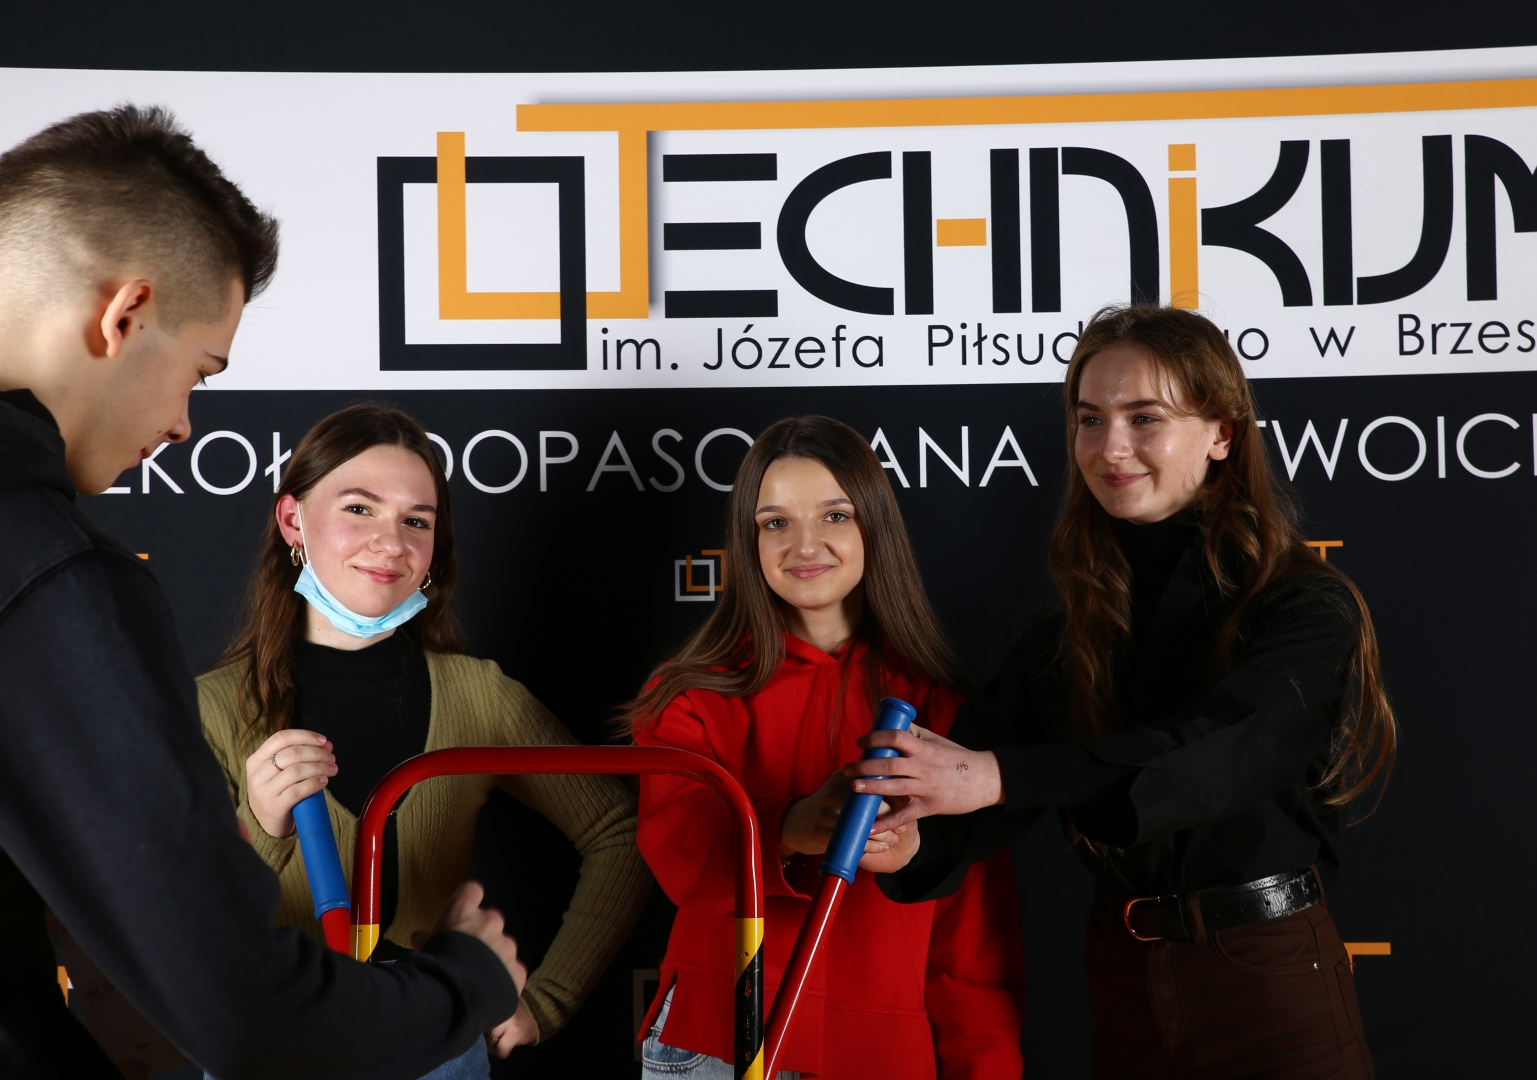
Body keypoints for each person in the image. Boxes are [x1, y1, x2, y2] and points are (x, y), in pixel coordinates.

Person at [0, 105, 525, 1080]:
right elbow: (252, 1019)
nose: (184, 425)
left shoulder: (481, 692)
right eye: (200, 372)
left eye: (417, 519)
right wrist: (471, 982)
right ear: (124, 316)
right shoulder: (54, 578)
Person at [854, 304, 1395, 1079]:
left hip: (1266, 972)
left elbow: (1207, 760)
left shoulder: (1304, 607)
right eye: (1090, 419)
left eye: (1145, 418)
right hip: (1118, 973)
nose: (1110, 448)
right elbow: (974, 775)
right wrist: (906, 836)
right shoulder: (1071, 625)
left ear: (1221, 435)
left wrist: (992, 776)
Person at [195, 402, 651, 1076]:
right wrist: (261, 827)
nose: (390, 542)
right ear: (293, 520)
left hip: (435, 1044)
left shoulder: (479, 696)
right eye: (359, 508)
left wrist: (545, 1002)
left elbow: (618, 832)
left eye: (417, 521)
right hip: (273, 1038)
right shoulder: (209, 707)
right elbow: (182, 930)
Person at [623, 416, 1025, 1080]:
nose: (804, 544)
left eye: (834, 515)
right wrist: (791, 826)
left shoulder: (945, 712)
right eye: (775, 523)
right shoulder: (691, 692)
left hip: (879, 1057)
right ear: (748, 541)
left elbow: (973, 942)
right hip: (721, 1039)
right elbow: (679, 848)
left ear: (873, 526)